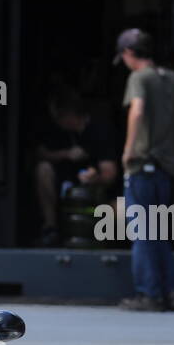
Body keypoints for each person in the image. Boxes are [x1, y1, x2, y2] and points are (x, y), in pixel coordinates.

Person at [112, 28, 174, 311]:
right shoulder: (173, 79)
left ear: (129, 54)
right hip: (165, 168)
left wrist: (128, 151)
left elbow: (137, 110)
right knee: (159, 231)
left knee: (141, 232)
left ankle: (149, 294)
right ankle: (170, 293)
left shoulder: (139, 77)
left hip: (142, 165)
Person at [35, 88, 118, 245]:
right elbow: (40, 154)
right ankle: (50, 228)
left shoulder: (100, 130)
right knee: (43, 169)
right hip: (64, 190)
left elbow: (110, 173)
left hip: (95, 197)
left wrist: (95, 178)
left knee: (124, 206)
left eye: (60, 116)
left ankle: (104, 237)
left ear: (69, 115)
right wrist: (66, 154)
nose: (58, 120)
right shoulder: (58, 131)